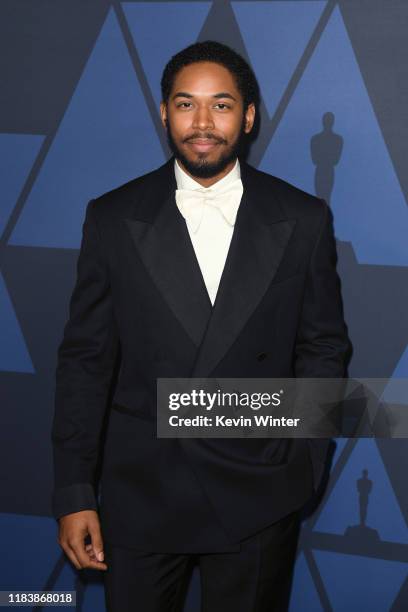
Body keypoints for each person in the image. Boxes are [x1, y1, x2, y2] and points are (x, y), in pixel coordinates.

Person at [51, 40, 350, 611]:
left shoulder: (304, 218)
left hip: (260, 490)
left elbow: (323, 346)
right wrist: (74, 491)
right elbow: (86, 362)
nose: (203, 122)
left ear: (249, 116)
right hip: (141, 492)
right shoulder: (113, 217)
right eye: (187, 104)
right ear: (164, 113)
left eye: (222, 105)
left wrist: (306, 459)